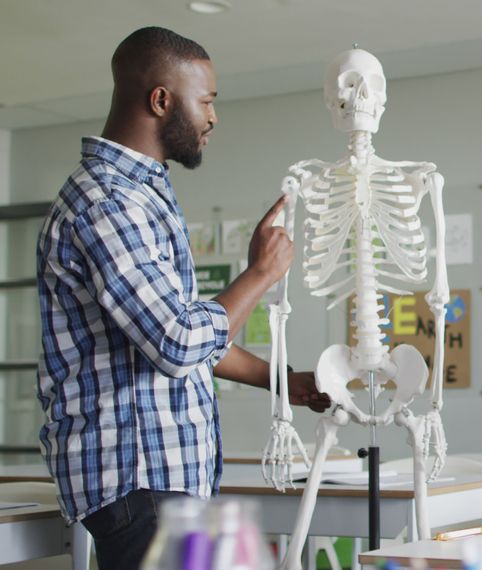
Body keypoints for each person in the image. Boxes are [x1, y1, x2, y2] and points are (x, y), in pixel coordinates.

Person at [36, 26, 330, 570]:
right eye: (207, 101)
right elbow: (177, 342)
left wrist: (284, 382)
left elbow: (192, 336)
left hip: (170, 480)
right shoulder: (107, 203)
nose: (213, 117)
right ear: (161, 100)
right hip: (142, 486)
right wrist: (260, 273)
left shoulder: (144, 197)